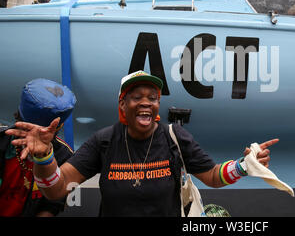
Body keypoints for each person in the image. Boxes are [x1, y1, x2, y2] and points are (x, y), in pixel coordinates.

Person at [6, 71, 279, 217]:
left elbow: (213, 176)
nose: (146, 101)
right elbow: (55, 190)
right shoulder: (104, 141)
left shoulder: (175, 137)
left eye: (153, 96)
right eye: (136, 96)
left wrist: (244, 166)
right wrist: (44, 158)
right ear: (122, 105)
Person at [0, 79, 75, 216]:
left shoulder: (64, 156)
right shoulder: (2, 141)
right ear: (60, 126)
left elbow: (52, 206)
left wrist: (44, 158)